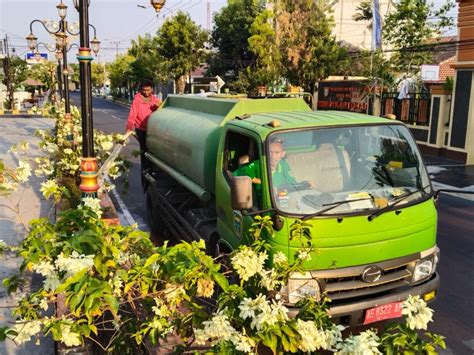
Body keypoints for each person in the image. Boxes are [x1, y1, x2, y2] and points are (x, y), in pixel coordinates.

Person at [125, 81, 161, 179]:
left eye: (148, 90)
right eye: (144, 90)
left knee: (153, 150)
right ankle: (145, 172)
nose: (146, 92)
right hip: (141, 129)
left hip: (151, 129)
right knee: (144, 151)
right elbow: (132, 114)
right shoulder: (137, 100)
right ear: (141, 90)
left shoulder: (154, 100)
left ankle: (152, 170)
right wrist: (129, 128)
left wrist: (157, 108)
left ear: (152, 89)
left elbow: (160, 110)